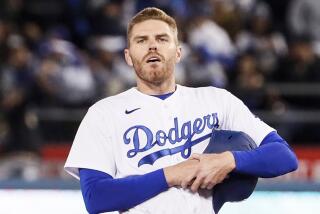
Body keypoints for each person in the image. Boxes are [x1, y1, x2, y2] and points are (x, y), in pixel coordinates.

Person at [64, 7, 298, 214]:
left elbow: (283, 156)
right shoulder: (104, 113)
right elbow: (95, 197)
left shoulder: (216, 100)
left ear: (178, 52)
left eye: (162, 38)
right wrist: (172, 174)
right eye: (141, 40)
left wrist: (228, 160)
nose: (152, 45)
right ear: (128, 56)